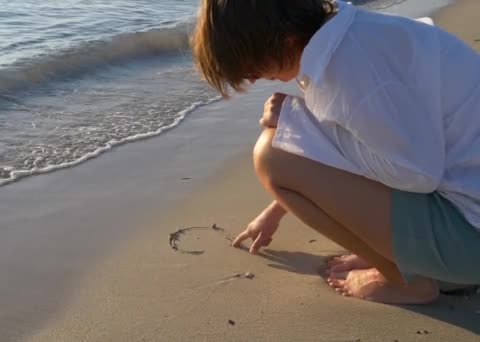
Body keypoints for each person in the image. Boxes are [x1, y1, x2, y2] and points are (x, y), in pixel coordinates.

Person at [191, 0, 480, 304]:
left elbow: (417, 172)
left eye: (252, 66)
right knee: (284, 144)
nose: (252, 78)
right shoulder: (348, 38)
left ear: (283, 39)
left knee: (271, 156)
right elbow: (378, 144)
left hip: (470, 240)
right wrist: (278, 206)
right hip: (465, 208)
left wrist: (302, 123)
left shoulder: (349, 68)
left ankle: (406, 280)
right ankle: (403, 256)